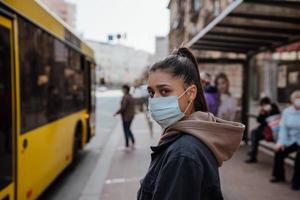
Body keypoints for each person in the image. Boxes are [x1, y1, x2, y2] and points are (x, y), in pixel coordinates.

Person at [137, 47, 245, 200]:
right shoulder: (188, 138)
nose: (154, 100)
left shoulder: (182, 154)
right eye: (151, 92)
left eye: (165, 91)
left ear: (191, 93)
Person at [271, 90, 300, 190]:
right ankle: (279, 176)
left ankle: (297, 182)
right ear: (292, 100)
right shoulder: (287, 112)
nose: (298, 101)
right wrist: (281, 142)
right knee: (279, 151)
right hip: (290, 140)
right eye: (297, 99)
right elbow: (283, 128)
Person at [245, 97, 280, 163]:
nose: (264, 106)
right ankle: (253, 154)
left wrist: (269, 110)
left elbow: (277, 115)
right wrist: (262, 113)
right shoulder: (263, 110)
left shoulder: (273, 107)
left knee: (254, 133)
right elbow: (259, 120)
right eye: (262, 105)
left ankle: (253, 153)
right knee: (254, 133)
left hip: (273, 131)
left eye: (264, 104)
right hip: (265, 130)